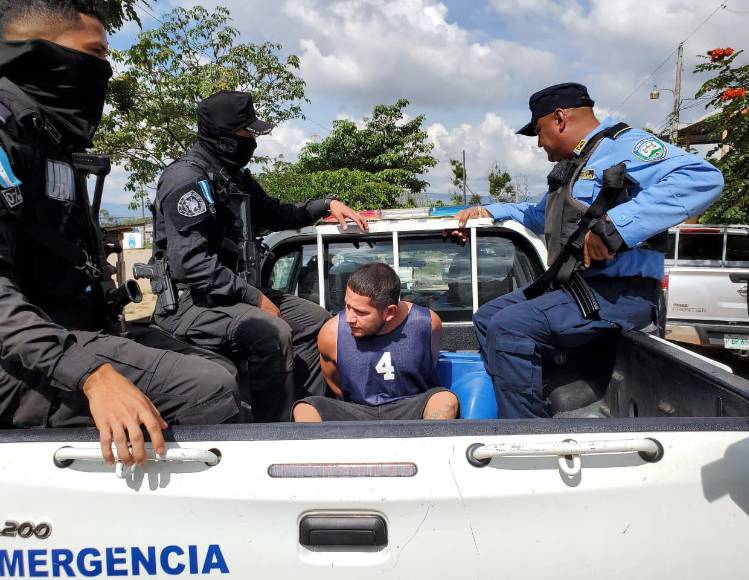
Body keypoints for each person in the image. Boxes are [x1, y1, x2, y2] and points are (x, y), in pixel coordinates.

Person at [0, 0, 242, 465]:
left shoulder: (47, 137)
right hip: (18, 354)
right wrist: (90, 373)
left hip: (60, 331)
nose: (104, 71)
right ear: (39, 52)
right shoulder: (7, 130)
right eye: (93, 54)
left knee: (219, 364)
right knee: (208, 390)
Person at [453, 82, 723, 419]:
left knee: (509, 327)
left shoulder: (623, 145)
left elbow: (702, 178)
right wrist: (491, 212)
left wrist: (613, 227)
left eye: (539, 130)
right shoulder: (577, 163)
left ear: (560, 118)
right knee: (487, 318)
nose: (539, 143)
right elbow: (542, 216)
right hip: (576, 291)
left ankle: (527, 433)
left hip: (620, 295)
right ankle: (538, 398)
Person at [152, 90, 367, 422]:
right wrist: (253, 297)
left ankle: (305, 415)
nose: (253, 139)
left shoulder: (231, 176)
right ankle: (272, 434)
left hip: (229, 294)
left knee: (316, 322)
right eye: (248, 132)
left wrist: (325, 205)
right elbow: (190, 264)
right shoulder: (187, 179)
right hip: (190, 302)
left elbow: (275, 213)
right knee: (272, 331)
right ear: (225, 138)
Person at [293, 263, 458, 422]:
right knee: (304, 409)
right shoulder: (331, 333)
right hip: (358, 412)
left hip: (411, 407)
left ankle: (426, 447)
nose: (349, 318)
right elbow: (335, 383)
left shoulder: (427, 323)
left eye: (360, 312)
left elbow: (429, 365)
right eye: (347, 306)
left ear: (389, 312)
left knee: (445, 400)